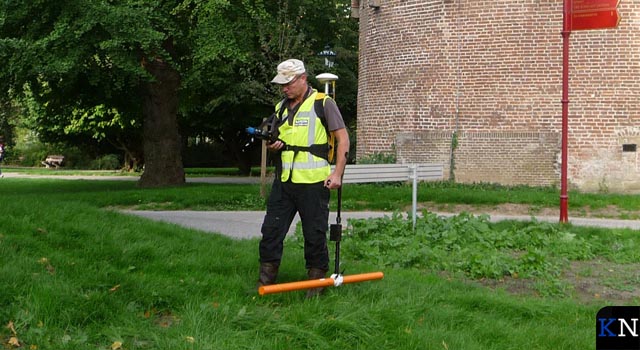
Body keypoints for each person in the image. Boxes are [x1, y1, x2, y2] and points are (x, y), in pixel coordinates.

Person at [257, 59, 350, 298]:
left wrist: (337, 173)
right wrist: (273, 145)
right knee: (271, 231)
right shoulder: (280, 108)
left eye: (288, 83)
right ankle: (264, 282)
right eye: (282, 84)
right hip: (285, 182)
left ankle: (316, 286)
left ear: (302, 79)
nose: (284, 88)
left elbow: (343, 139)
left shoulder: (323, 104)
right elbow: (275, 139)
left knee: (314, 234)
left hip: (314, 184)